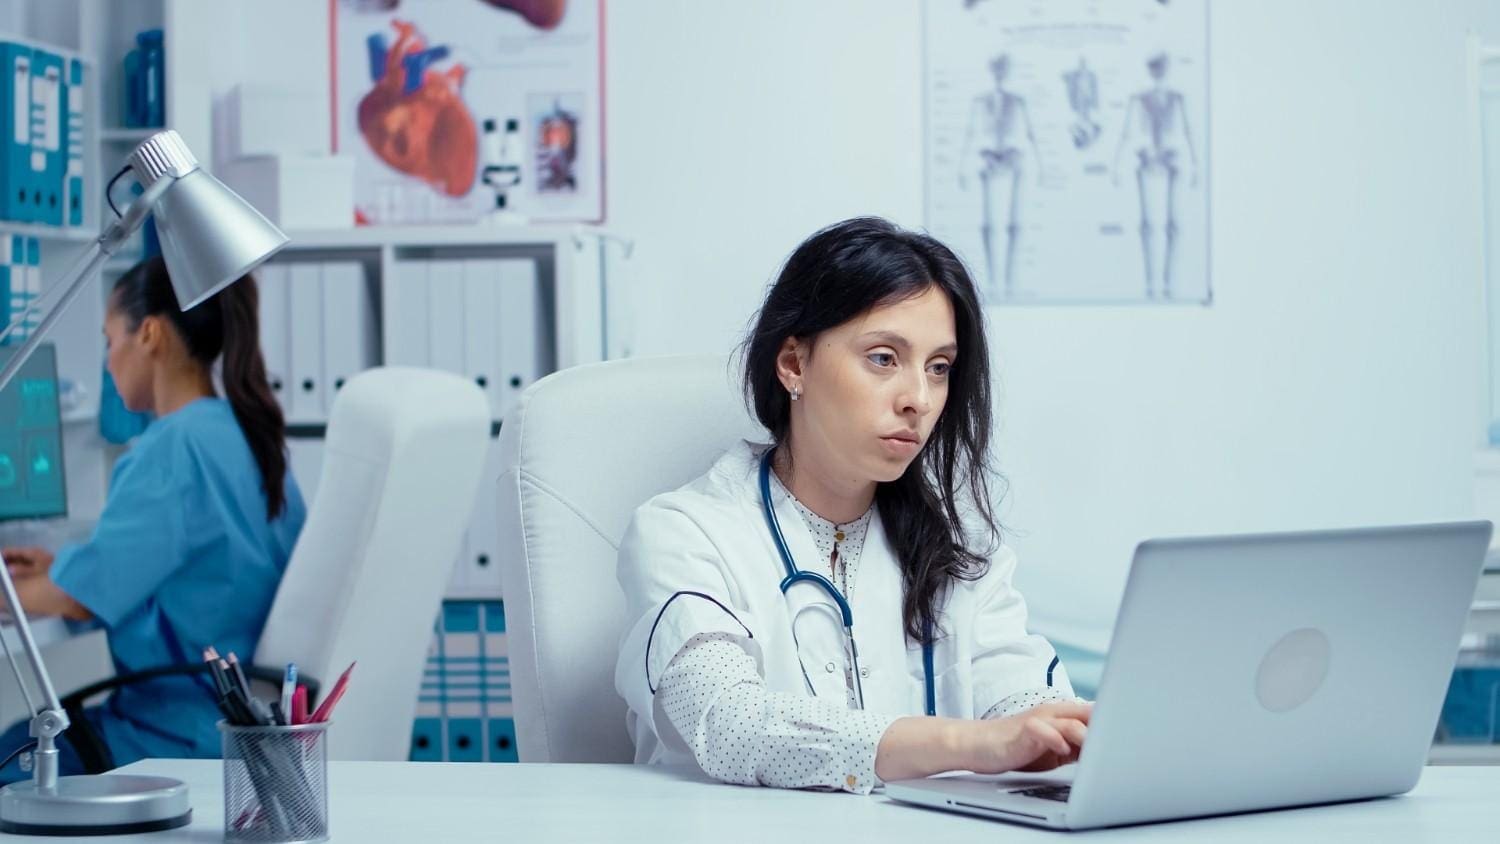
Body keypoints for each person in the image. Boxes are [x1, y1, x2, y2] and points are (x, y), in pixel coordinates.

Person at [615, 217, 1088, 794]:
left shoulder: (958, 547)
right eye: (884, 358)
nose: (918, 399)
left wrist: (1057, 729)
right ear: (793, 364)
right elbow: (731, 725)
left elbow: (1014, 686)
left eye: (938, 368)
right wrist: (970, 744)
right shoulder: (685, 533)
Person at [0, 255, 306, 781]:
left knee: (11, 753)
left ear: (149, 335)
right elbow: (199, 578)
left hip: (178, 734)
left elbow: (74, 598)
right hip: (240, 728)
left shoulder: (172, 450)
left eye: (108, 339)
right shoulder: (245, 434)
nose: (106, 360)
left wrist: (26, 588)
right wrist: (62, 568)